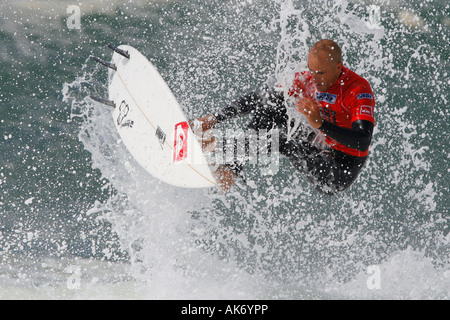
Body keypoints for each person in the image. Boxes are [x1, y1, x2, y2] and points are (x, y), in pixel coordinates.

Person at [192, 39, 375, 195]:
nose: (315, 78)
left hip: (338, 169)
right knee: (270, 102)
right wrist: (215, 118)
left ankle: (215, 144)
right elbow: (261, 97)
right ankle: (230, 171)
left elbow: (363, 141)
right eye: (312, 70)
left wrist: (320, 124)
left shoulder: (357, 90)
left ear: (338, 67)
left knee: (284, 140)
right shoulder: (307, 78)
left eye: (321, 73)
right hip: (318, 143)